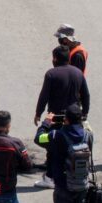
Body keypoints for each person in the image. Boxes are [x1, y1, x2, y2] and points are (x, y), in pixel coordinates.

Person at [36, 105, 92, 203]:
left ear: (66, 119)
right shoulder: (88, 135)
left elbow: (39, 138)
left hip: (62, 185)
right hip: (81, 184)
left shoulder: (57, 135)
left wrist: (47, 123)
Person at [33, 46, 90, 189]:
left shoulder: (51, 74)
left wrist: (38, 113)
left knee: (54, 146)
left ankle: (50, 177)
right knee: (76, 143)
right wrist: (85, 113)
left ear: (55, 59)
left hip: (56, 117)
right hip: (75, 117)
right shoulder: (78, 73)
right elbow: (86, 95)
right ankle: (76, 172)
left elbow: (44, 95)